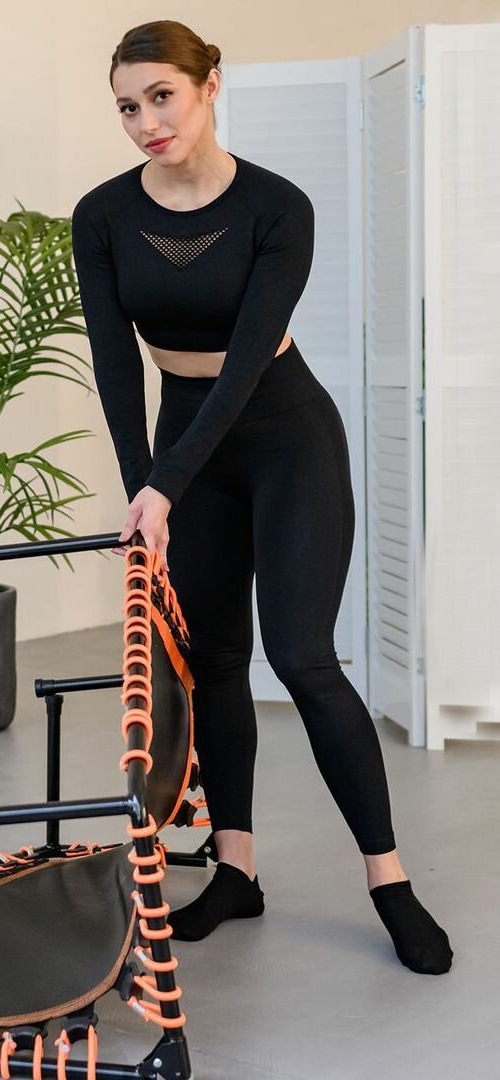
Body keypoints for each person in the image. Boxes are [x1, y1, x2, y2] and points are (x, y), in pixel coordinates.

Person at [71, 19, 452, 975]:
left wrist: (165, 482)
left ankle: (390, 881)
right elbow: (116, 366)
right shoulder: (103, 215)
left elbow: (244, 364)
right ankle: (235, 870)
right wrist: (145, 491)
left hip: (286, 438)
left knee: (303, 657)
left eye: (162, 95)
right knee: (216, 661)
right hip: (183, 450)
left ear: (210, 84)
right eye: (127, 106)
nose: (146, 121)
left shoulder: (278, 207)